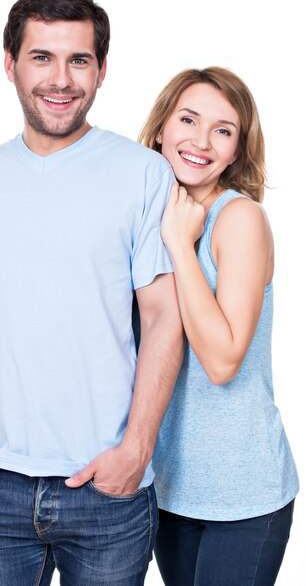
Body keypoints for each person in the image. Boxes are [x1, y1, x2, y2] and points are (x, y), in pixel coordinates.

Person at [0, 0, 183, 586]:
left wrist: (137, 449)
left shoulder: (143, 174)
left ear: (102, 70)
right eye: (42, 57)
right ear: (10, 64)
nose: (60, 80)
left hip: (108, 486)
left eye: (78, 60)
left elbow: (165, 315)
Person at [138, 66, 299, 585]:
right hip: (170, 485)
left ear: (236, 151)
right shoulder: (148, 218)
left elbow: (223, 360)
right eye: (188, 119)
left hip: (244, 492)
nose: (201, 141)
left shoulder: (239, 219)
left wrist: (183, 248)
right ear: (162, 126)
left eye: (223, 130)